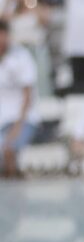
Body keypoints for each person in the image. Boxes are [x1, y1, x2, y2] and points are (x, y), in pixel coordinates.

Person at [0, 19, 37, 178]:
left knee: (9, 149)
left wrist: (17, 128)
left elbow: (27, 97)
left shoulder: (21, 57)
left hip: (22, 121)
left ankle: (14, 197)